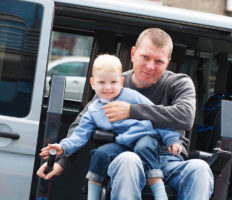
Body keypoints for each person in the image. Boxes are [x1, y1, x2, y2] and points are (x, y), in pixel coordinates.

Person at [37, 28, 214, 200]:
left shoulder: (178, 83)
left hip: (168, 160)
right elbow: (82, 124)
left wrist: (131, 110)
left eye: (159, 61)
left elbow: (185, 116)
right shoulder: (112, 84)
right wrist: (61, 161)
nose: (150, 66)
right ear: (133, 53)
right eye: (145, 57)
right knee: (128, 160)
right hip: (126, 157)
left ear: (167, 61)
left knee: (200, 168)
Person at [40, 54, 182, 200]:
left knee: (143, 148)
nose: (108, 87)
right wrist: (63, 147)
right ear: (92, 83)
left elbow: (157, 117)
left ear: (121, 81)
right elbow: (79, 135)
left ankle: (160, 194)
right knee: (99, 154)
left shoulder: (133, 97)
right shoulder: (93, 110)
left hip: (146, 137)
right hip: (123, 144)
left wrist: (172, 139)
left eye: (113, 82)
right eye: (101, 82)